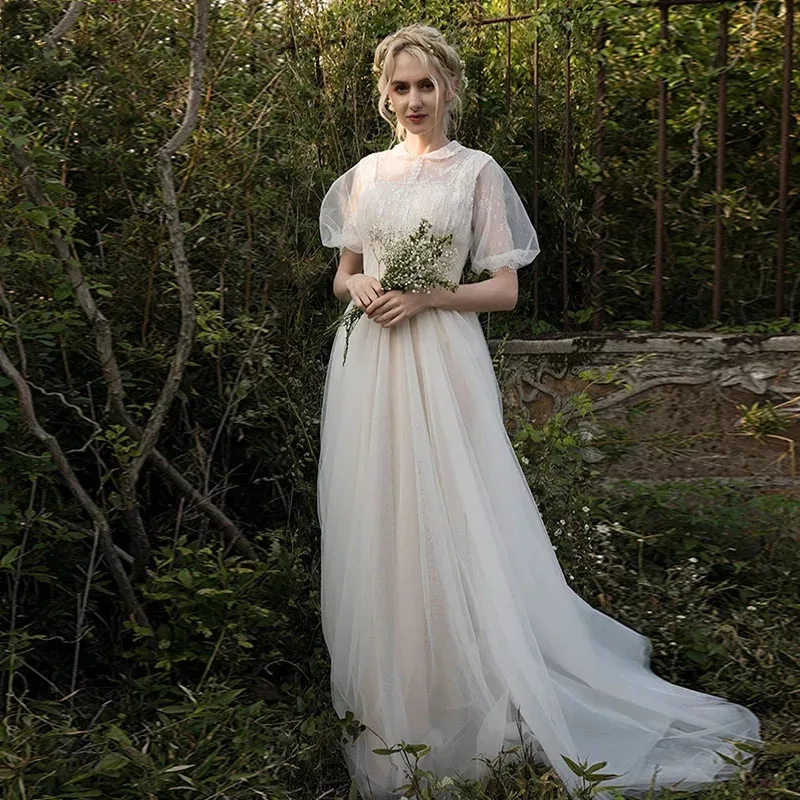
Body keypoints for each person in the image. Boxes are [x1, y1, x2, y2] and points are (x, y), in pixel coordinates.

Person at [317, 24, 760, 800]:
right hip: (368, 365)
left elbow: (504, 289)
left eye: (427, 85)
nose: (414, 100)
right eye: (401, 87)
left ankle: (477, 689)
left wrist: (424, 297)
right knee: (380, 516)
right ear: (383, 94)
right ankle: (403, 704)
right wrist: (358, 288)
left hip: (440, 354)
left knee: (455, 512)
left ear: (451, 89)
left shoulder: (477, 173)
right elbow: (343, 275)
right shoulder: (363, 177)